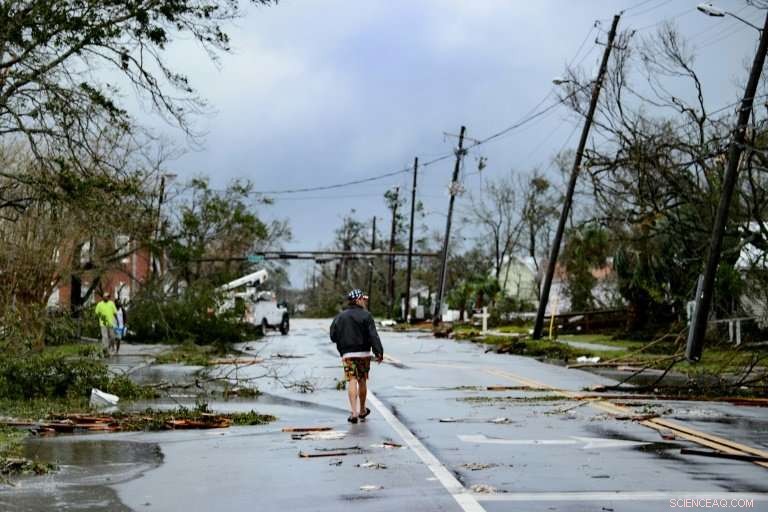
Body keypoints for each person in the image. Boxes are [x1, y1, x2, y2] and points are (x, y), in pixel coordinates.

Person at [330, 289, 384, 424]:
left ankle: (354, 412)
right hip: (363, 353)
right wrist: (378, 352)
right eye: (363, 299)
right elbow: (373, 335)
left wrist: (342, 344)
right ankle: (362, 410)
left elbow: (333, 336)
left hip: (348, 354)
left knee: (352, 379)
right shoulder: (366, 315)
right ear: (358, 300)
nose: (365, 302)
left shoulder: (340, 317)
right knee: (362, 380)